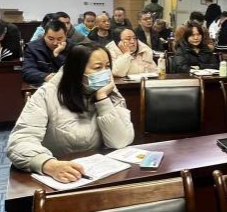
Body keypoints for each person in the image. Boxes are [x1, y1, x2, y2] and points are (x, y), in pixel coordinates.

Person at [7, 43, 134, 180]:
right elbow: (19, 142)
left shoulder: (109, 92)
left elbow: (120, 142)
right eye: (97, 68)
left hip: (103, 172)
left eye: (107, 66)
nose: (105, 73)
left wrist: (102, 99)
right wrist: (49, 165)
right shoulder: (47, 94)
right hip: (63, 175)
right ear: (76, 70)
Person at [22, 20, 71, 85]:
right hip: (41, 86)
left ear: (66, 35)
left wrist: (57, 55)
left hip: (66, 86)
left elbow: (73, 71)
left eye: (59, 39)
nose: (55, 43)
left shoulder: (73, 48)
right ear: (44, 35)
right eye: (51, 39)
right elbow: (27, 71)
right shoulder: (32, 48)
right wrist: (46, 77)